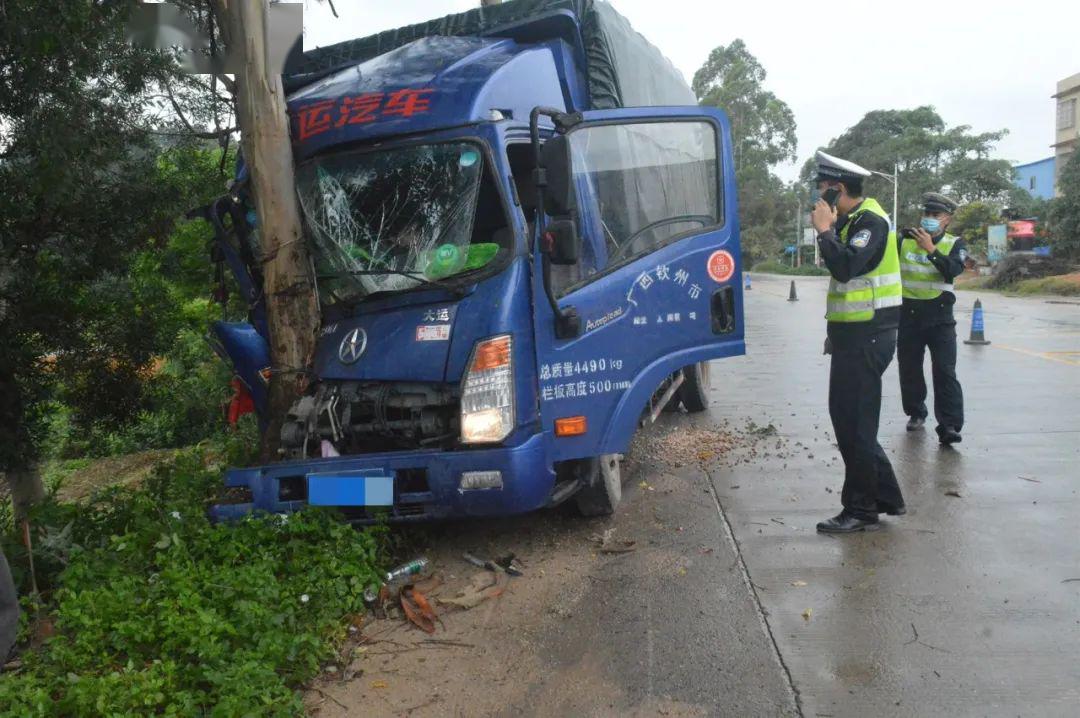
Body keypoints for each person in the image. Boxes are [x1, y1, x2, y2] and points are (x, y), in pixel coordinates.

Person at [810, 151, 906, 533]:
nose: (817, 198)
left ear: (837, 189)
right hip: (853, 337)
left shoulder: (871, 223)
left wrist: (823, 231)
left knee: (857, 425)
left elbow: (847, 267)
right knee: (848, 420)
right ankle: (885, 496)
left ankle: (861, 509)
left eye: (822, 190)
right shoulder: (851, 221)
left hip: (869, 337)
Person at [897, 193, 966, 444]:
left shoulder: (954, 244)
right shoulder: (903, 241)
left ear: (946, 220)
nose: (929, 219)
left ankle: (949, 426)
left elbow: (953, 270)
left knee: (945, 371)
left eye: (935, 216)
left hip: (940, 319)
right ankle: (916, 413)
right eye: (926, 214)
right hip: (909, 316)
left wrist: (931, 250)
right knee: (910, 368)